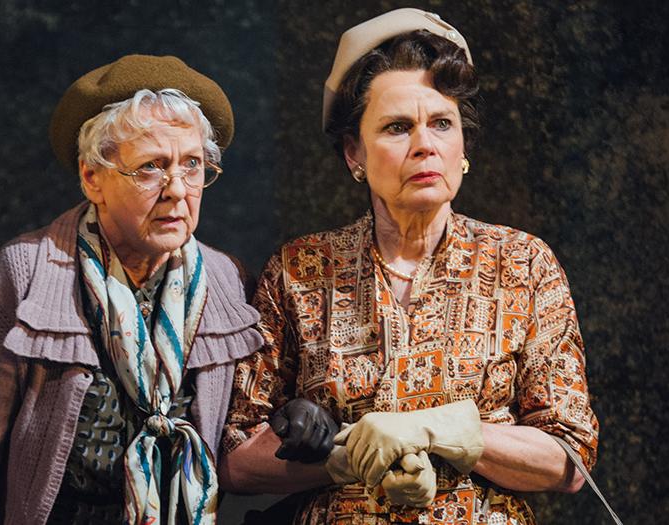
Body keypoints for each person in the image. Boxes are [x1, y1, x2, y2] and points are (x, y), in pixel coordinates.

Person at [217, 9, 600, 524]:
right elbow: (236, 458)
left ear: (463, 146)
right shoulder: (301, 269)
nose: (425, 144)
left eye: (442, 123)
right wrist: (342, 456)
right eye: (398, 127)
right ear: (354, 152)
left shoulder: (522, 263)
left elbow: (571, 459)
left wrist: (453, 432)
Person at [0, 54, 264, 525]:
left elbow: (244, 429)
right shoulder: (26, 273)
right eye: (150, 168)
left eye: (192, 165)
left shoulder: (227, 280)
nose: (178, 190)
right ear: (92, 178)